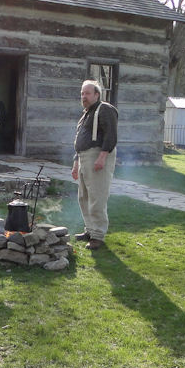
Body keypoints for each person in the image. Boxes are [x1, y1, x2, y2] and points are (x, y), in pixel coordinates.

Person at [71, 79, 118, 250]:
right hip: (84, 157)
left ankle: (98, 235)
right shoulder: (87, 113)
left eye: (87, 93)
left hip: (97, 155)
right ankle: (90, 230)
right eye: (82, 93)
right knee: (83, 197)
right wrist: (76, 163)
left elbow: (111, 135)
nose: (84, 96)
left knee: (97, 197)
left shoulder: (104, 109)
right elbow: (80, 141)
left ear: (97, 94)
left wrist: (102, 157)